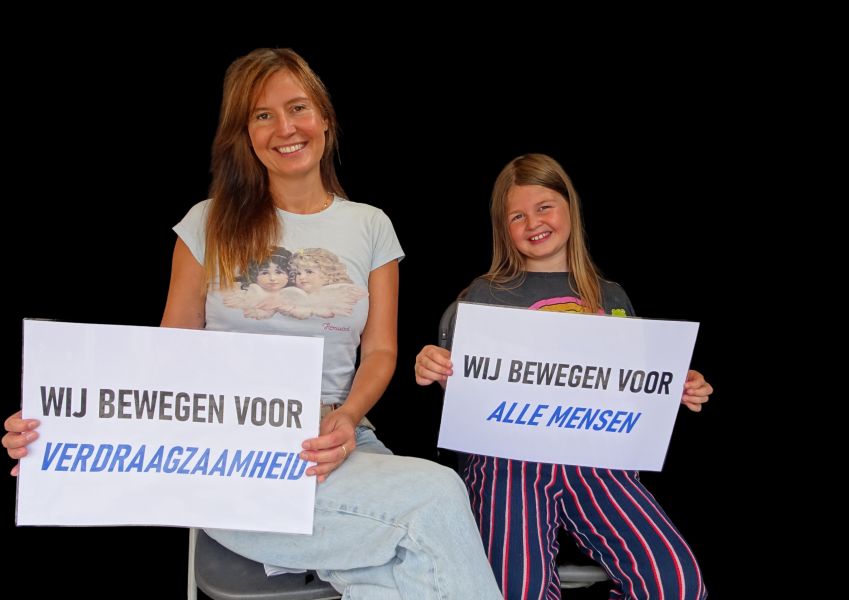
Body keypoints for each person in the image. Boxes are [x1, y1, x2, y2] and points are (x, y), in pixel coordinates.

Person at [3, 48, 503, 599]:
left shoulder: (371, 226)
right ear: (245, 134)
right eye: (263, 115)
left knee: (397, 578)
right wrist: (65, 425)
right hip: (232, 454)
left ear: (325, 119)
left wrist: (345, 418)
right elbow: (166, 355)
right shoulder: (208, 222)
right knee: (436, 496)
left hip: (340, 441)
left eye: (298, 108)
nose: (285, 128)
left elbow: (381, 351)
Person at [414, 153, 712, 599]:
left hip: (598, 461)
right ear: (503, 228)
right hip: (508, 464)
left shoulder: (611, 296)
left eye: (544, 207)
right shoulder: (484, 295)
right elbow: (466, 393)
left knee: (676, 583)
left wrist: (677, 387)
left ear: (570, 207)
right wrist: (436, 367)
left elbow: (634, 389)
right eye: (517, 216)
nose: (533, 222)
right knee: (519, 590)